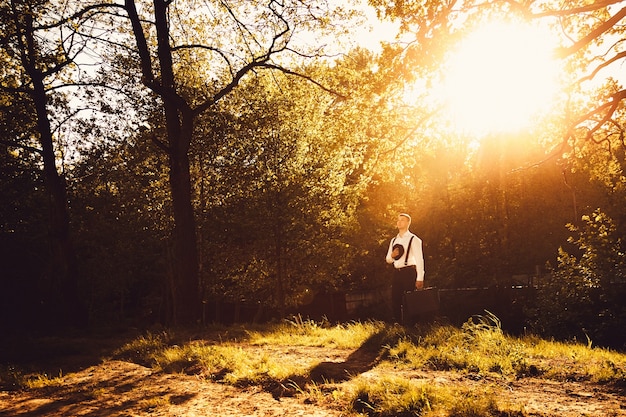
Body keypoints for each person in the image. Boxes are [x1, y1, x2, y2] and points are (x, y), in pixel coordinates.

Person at [385, 213, 425, 322]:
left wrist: (420, 278)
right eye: (398, 220)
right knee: (395, 299)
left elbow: (419, 259)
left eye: (402, 220)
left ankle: (413, 325)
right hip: (397, 272)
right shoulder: (394, 240)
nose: (399, 222)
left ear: (408, 223)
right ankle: (397, 323)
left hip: (409, 272)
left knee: (410, 299)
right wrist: (392, 256)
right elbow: (388, 259)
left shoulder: (414, 239)